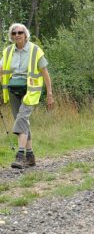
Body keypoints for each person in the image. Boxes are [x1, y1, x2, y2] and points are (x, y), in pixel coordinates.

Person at [0, 23, 54, 169]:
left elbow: (45, 73)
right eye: (14, 33)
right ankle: (30, 156)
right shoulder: (7, 51)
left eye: (20, 32)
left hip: (31, 91)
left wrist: (49, 93)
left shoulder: (35, 50)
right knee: (23, 121)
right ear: (11, 36)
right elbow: (1, 69)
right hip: (13, 90)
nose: (17, 35)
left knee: (21, 119)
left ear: (26, 35)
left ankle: (20, 155)